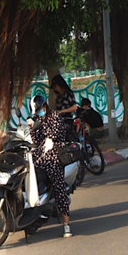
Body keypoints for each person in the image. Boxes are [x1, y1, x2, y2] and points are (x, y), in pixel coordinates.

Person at [30, 95, 74, 237]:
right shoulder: (37, 118)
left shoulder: (55, 116)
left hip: (55, 152)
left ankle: (66, 224)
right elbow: (36, 140)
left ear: (44, 106)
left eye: (40, 110)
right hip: (41, 152)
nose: (39, 113)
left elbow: (56, 134)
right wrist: (32, 128)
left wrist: (40, 126)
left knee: (58, 187)